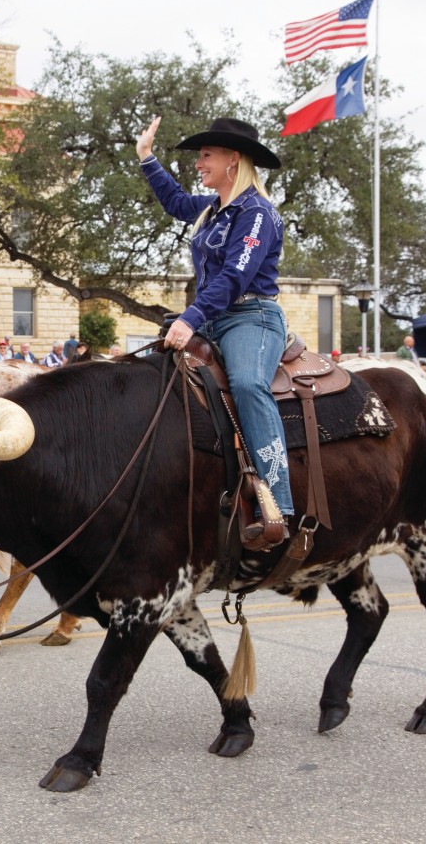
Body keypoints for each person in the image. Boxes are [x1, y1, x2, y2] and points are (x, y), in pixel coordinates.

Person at [139, 115, 291, 549]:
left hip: (251, 317)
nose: (199, 162)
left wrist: (189, 318)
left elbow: (235, 277)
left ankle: (278, 504)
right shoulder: (213, 209)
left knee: (246, 384)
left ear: (233, 159)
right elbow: (175, 202)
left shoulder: (257, 213)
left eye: (206, 155)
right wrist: (147, 158)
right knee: (158, 373)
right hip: (212, 316)